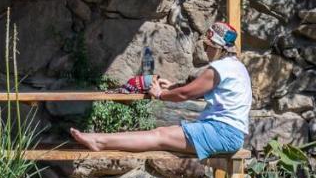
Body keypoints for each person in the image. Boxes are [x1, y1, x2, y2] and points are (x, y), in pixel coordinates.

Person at [70, 21, 251, 160]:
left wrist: (161, 94)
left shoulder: (220, 68)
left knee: (159, 135)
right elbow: (197, 90)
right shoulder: (236, 67)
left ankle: (99, 142)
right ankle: (100, 140)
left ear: (217, 47)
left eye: (207, 46)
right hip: (226, 132)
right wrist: (172, 86)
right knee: (165, 132)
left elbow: (185, 94)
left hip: (222, 133)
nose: (205, 51)